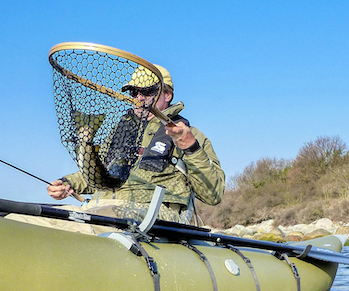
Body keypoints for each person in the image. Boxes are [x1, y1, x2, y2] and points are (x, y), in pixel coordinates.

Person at [46, 64, 225, 224]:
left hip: (155, 216)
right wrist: (67, 182)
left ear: (167, 95)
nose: (139, 98)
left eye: (147, 92)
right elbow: (97, 175)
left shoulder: (191, 135)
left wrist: (191, 148)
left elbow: (213, 195)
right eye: (134, 92)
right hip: (101, 208)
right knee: (47, 218)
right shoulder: (119, 132)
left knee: (103, 215)